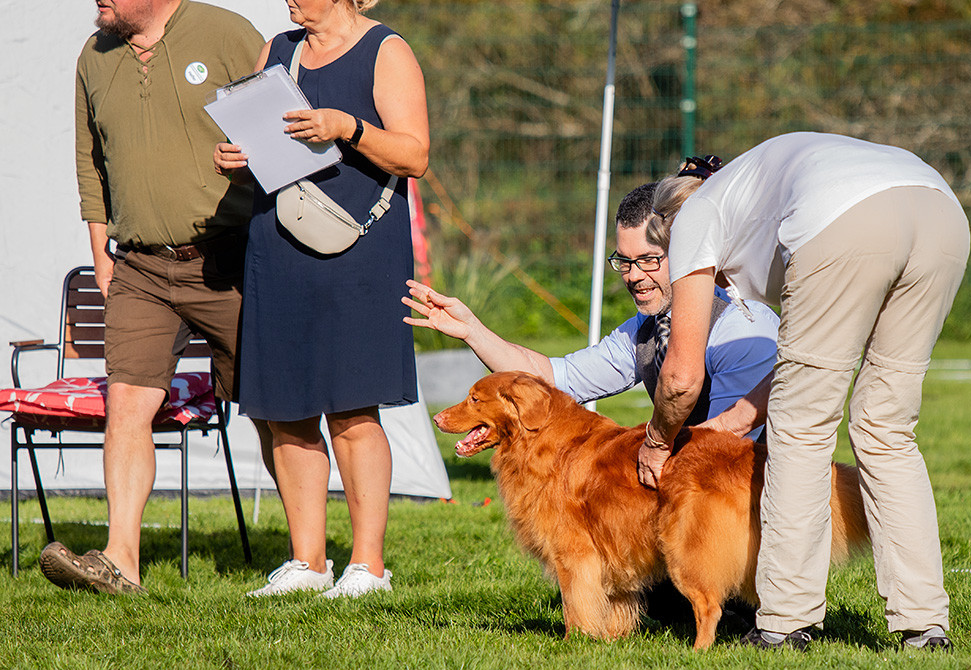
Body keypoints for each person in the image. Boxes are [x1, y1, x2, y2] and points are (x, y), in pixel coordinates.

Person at [638, 132, 969, 651]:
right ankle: (925, 625)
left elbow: (680, 376)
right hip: (940, 211)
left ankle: (785, 622)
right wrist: (731, 423)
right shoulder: (748, 194)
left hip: (848, 217)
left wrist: (657, 443)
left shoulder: (692, 218)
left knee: (800, 433)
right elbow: (803, 362)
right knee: (886, 429)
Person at [38, 0, 268, 595]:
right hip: (137, 266)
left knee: (274, 410)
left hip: (230, 258)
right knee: (129, 406)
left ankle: (306, 562)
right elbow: (91, 167)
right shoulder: (95, 55)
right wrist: (100, 255)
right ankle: (120, 562)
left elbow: (281, 128)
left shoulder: (227, 34)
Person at [214, 0, 429, 598]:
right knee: (286, 406)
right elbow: (259, 142)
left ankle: (368, 566)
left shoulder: (385, 50)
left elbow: (415, 155)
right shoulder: (278, 50)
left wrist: (347, 128)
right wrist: (234, 159)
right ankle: (307, 562)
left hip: (358, 246)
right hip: (277, 242)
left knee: (354, 407)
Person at [403, 179, 779, 440]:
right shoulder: (645, 329)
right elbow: (554, 378)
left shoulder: (743, 325)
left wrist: (648, 449)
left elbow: (728, 444)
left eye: (649, 260)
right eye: (624, 261)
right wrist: (473, 330)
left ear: (687, 250)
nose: (633, 276)